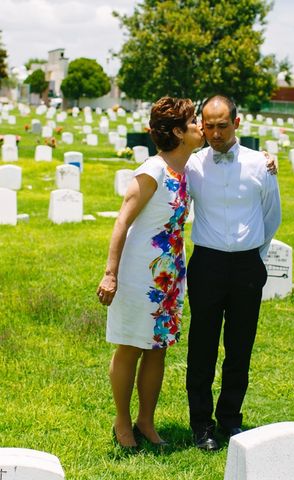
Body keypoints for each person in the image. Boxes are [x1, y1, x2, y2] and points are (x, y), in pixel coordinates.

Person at [97, 97, 204, 449]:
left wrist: (267, 158)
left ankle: (146, 420)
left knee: (158, 348)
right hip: (139, 275)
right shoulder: (153, 170)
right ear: (178, 132)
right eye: (193, 123)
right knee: (130, 346)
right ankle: (122, 421)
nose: (199, 127)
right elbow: (122, 220)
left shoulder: (185, 168)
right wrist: (110, 273)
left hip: (170, 275)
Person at [185, 94, 281, 451]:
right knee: (202, 347)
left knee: (239, 348)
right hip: (207, 263)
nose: (215, 133)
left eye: (222, 125)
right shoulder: (194, 165)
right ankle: (201, 424)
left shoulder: (261, 165)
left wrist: (254, 253)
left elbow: (272, 215)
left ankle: (230, 420)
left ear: (236, 124)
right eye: (208, 126)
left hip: (246, 266)